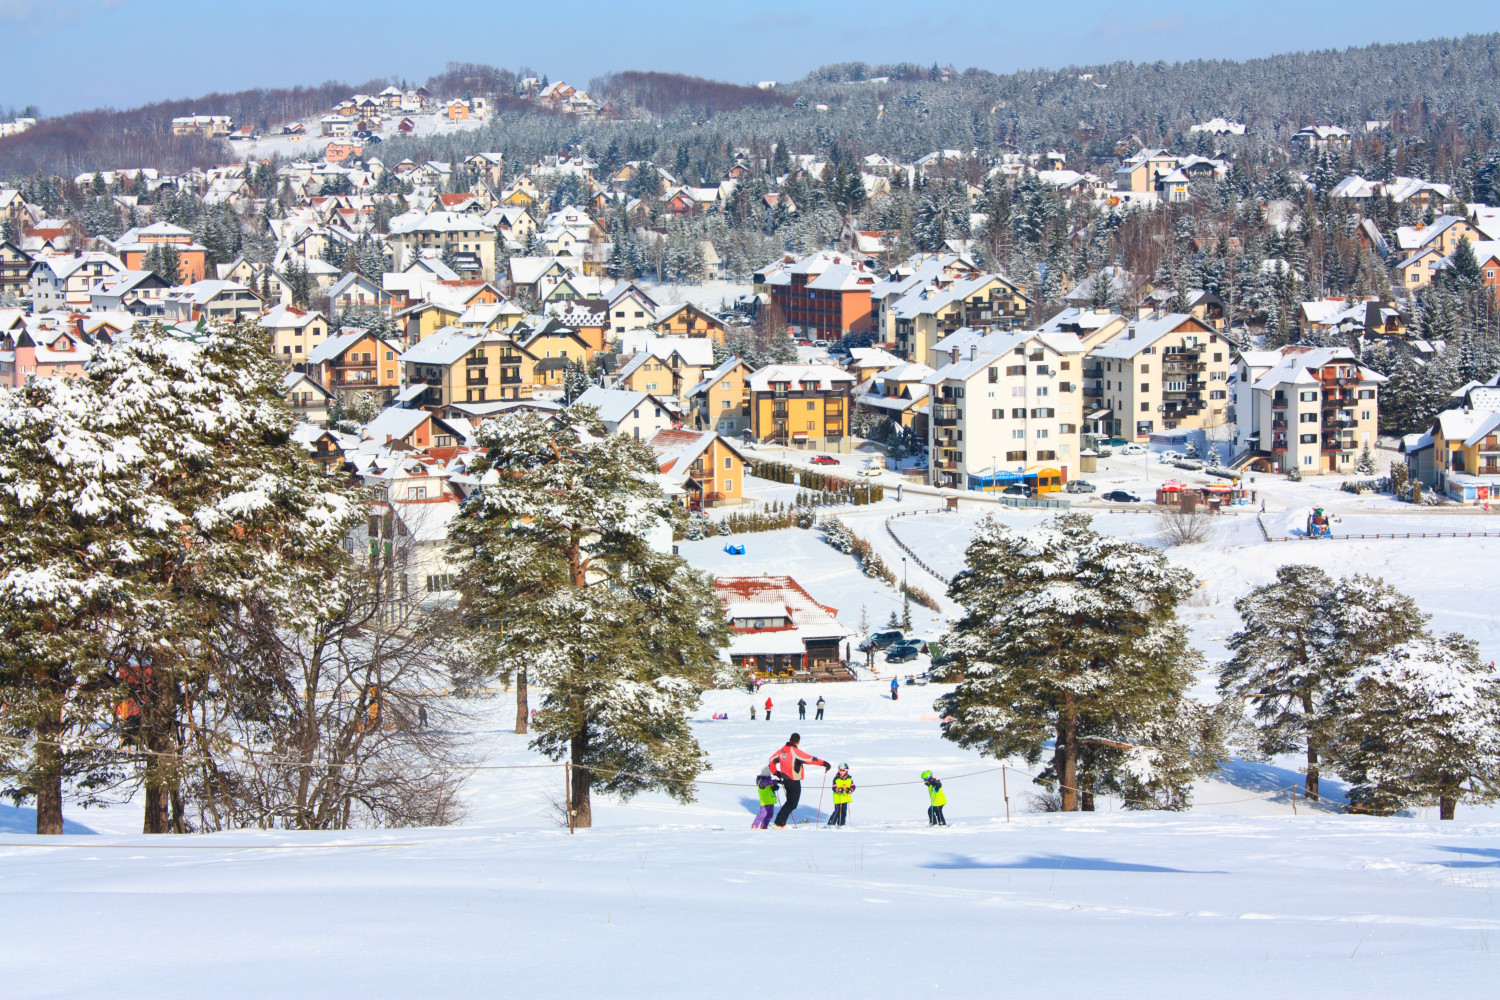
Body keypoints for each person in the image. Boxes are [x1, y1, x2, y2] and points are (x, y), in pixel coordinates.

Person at [768, 733, 830, 828]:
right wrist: (824, 763)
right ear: (798, 742)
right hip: (793, 780)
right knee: (792, 804)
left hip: (786, 780)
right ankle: (779, 823)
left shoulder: (782, 751)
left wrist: (775, 772)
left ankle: (781, 823)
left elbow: (771, 760)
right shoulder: (795, 752)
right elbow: (810, 759)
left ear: (789, 739)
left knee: (789, 803)